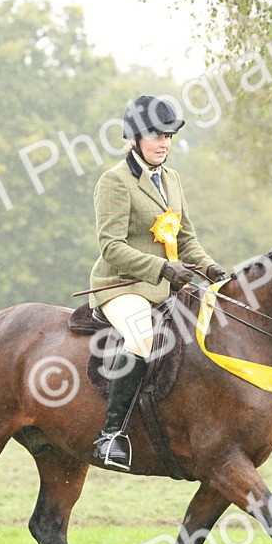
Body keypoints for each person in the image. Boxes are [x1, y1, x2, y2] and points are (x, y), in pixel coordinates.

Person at [87, 95, 230, 470]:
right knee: (142, 336)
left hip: (165, 288)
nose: (164, 142)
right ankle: (111, 435)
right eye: (155, 135)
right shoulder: (115, 181)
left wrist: (212, 268)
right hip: (120, 286)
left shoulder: (172, 180)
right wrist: (164, 269)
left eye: (169, 135)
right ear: (134, 138)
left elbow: (186, 239)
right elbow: (111, 247)